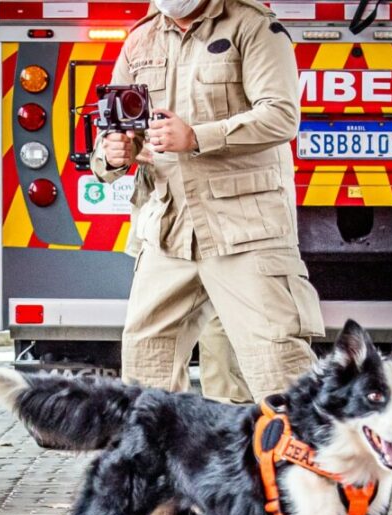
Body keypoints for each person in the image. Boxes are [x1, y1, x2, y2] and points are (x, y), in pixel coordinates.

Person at [91, 0, 324, 401]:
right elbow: (115, 128)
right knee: (147, 368)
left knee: (277, 364)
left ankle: (301, 444)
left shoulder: (252, 26)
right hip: (168, 230)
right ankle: (159, 445)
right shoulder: (140, 39)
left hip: (244, 228)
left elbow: (281, 115)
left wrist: (197, 137)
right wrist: (113, 154)